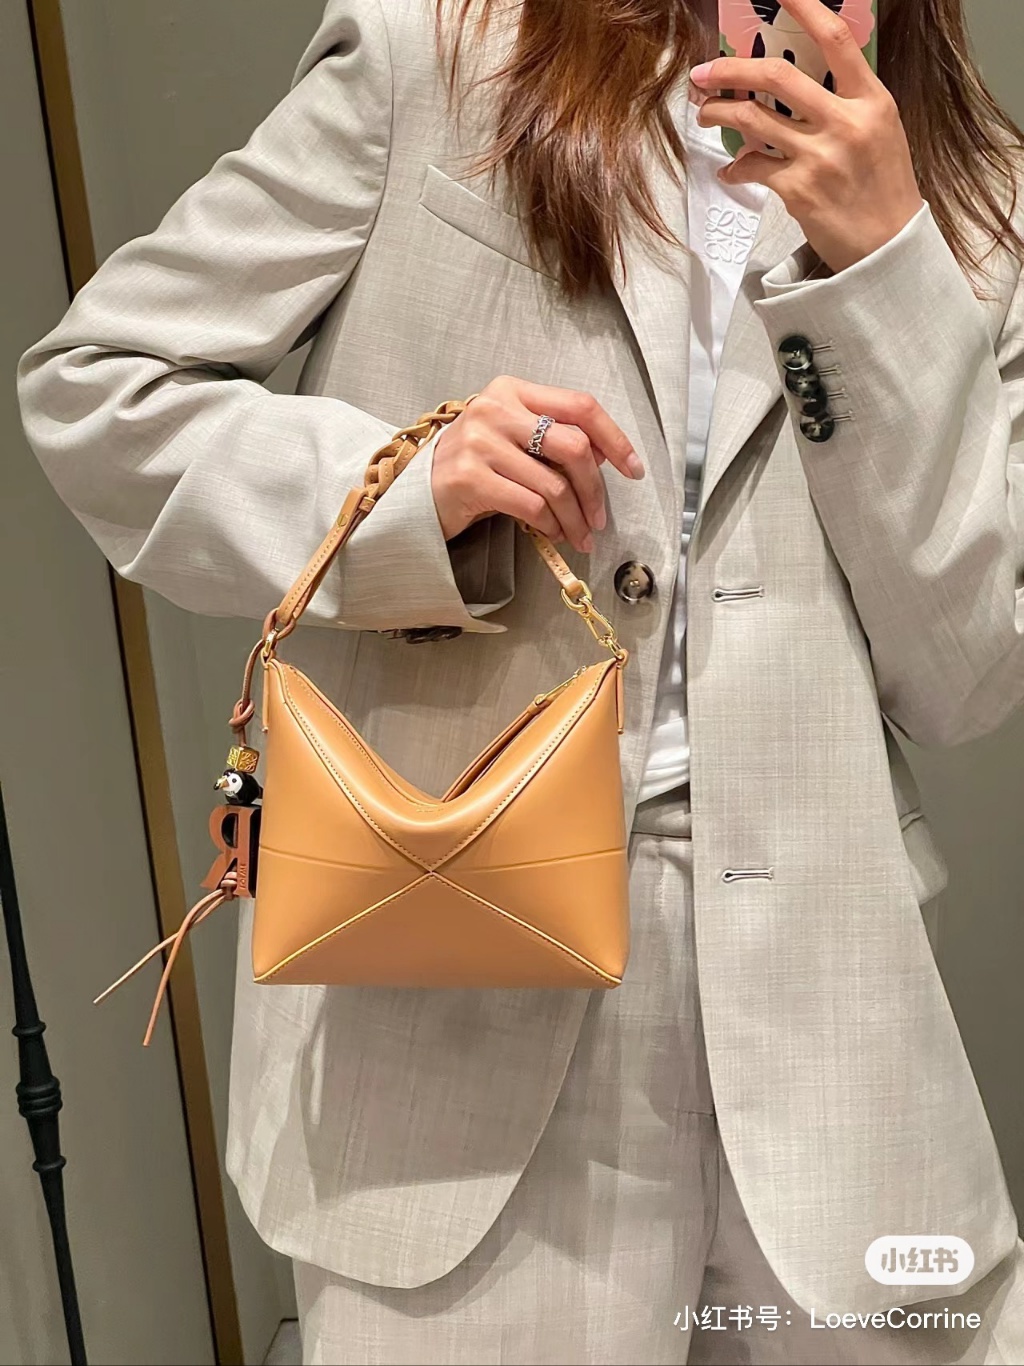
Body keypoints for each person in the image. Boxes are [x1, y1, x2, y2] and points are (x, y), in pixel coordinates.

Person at [17, 0, 1024, 1360]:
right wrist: (401, 489)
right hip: (450, 989)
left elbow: (965, 677)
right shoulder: (436, 55)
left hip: (832, 1029)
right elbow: (100, 387)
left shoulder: (974, 204)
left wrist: (887, 274)